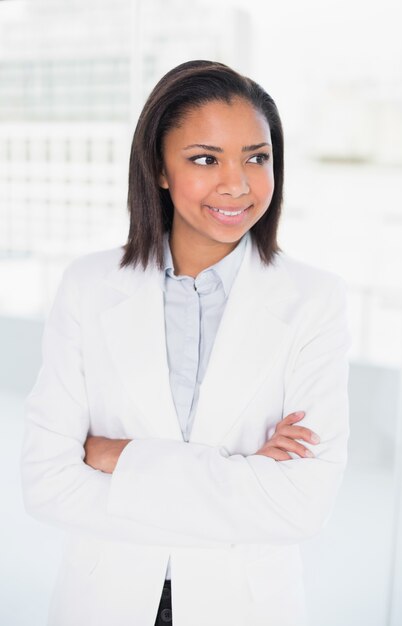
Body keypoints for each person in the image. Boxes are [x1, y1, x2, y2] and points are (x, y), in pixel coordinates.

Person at [21, 60, 351, 626]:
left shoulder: (314, 301)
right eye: (205, 158)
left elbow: (302, 505)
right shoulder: (89, 287)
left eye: (257, 157)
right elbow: (46, 483)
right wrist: (242, 476)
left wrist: (118, 457)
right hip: (103, 602)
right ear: (160, 168)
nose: (237, 183)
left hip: (245, 607)